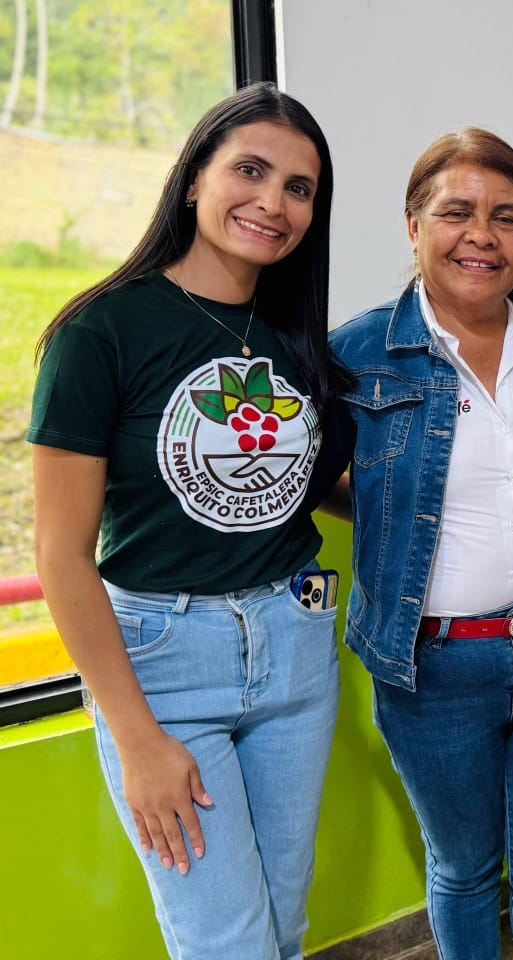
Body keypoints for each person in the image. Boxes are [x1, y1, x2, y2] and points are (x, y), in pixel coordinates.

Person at [29, 83, 353, 959]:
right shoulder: (102, 332)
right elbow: (61, 555)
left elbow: (302, 483)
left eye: (299, 188)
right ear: (194, 179)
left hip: (296, 642)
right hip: (164, 664)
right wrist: (136, 737)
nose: (273, 202)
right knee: (228, 945)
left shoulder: (293, 335)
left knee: (282, 926)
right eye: (250, 171)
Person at [316, 128, 513, 960]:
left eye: (506, 217)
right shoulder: (357, 354)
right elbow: (308, 477)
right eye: (456, 213)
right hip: (430, 668)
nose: (482, 235)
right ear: (413, 227)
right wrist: (395, 518)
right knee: (466, 870)